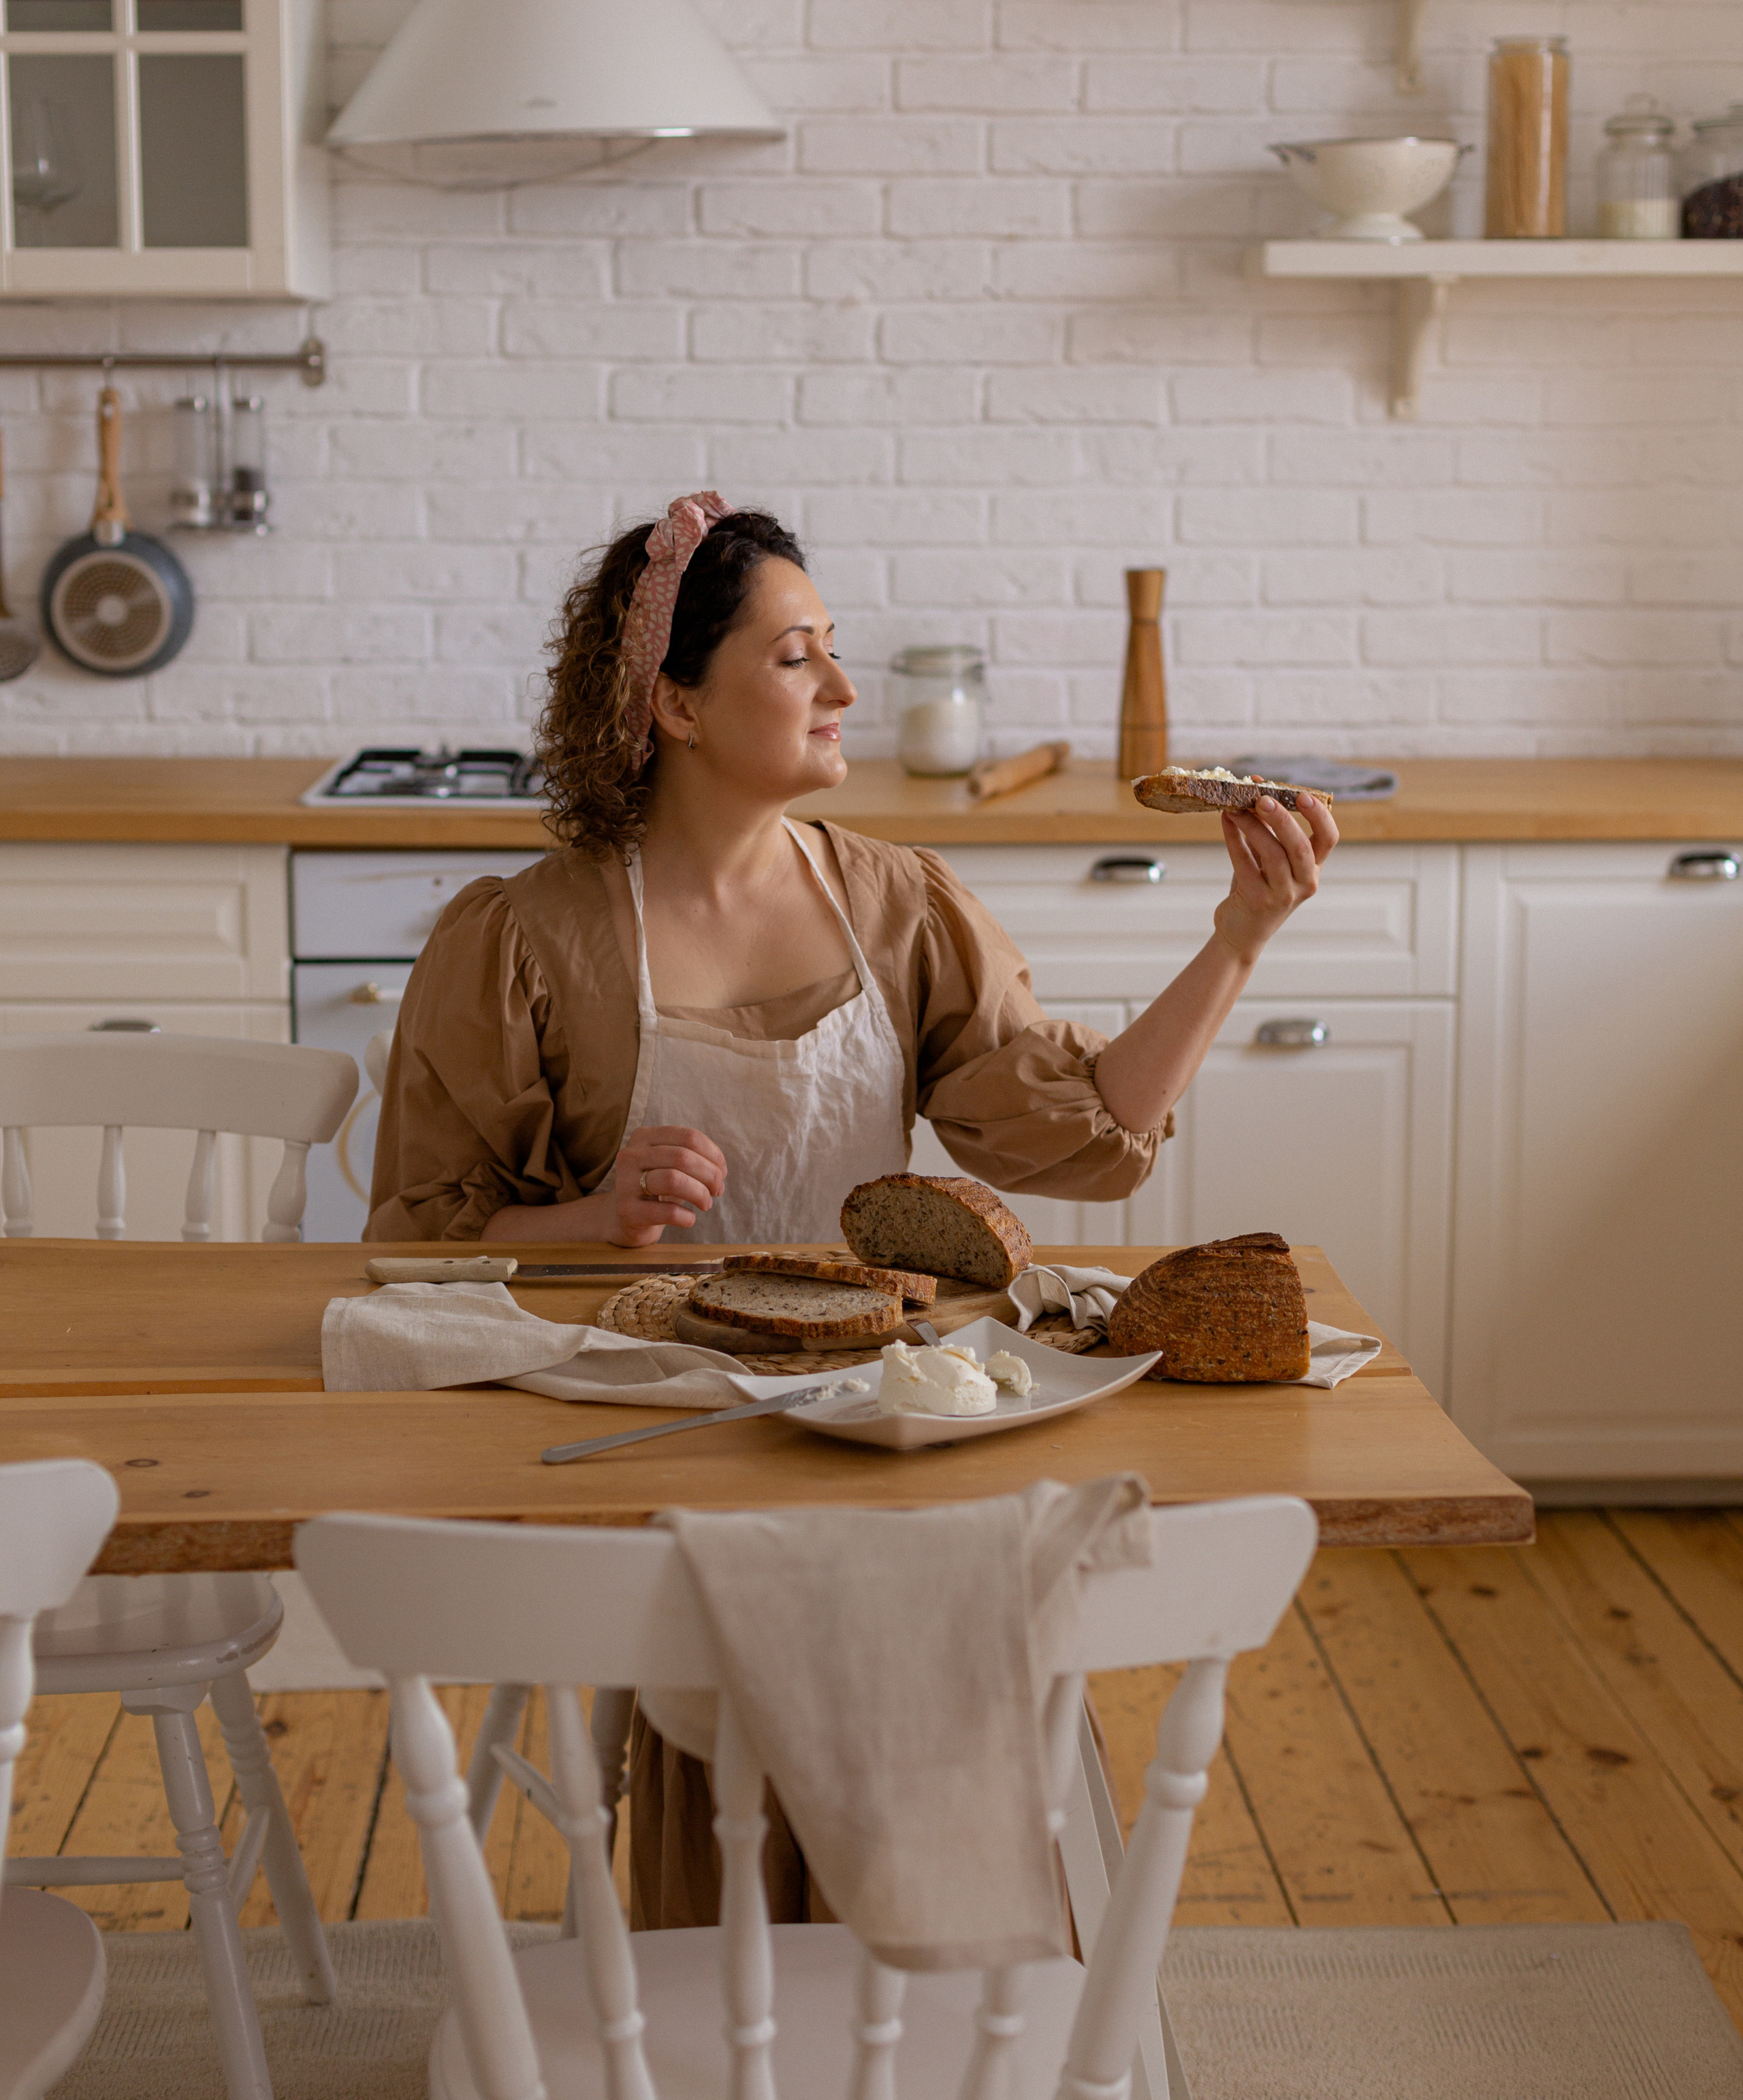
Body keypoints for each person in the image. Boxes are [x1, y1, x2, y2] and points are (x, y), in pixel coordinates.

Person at [368, 494, 1339, 1922]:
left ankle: (924, 2006)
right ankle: (750, 2019)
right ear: (678, 704)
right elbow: (416, 1237)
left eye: (834, 651)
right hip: (647, 1436)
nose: (840, 689)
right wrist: (589, 1217)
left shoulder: (897, 906)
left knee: (945, 1600)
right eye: (794, 656)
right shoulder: (528, 937)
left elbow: (1080, 1134)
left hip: (882, 1426)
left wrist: (1238, 938)